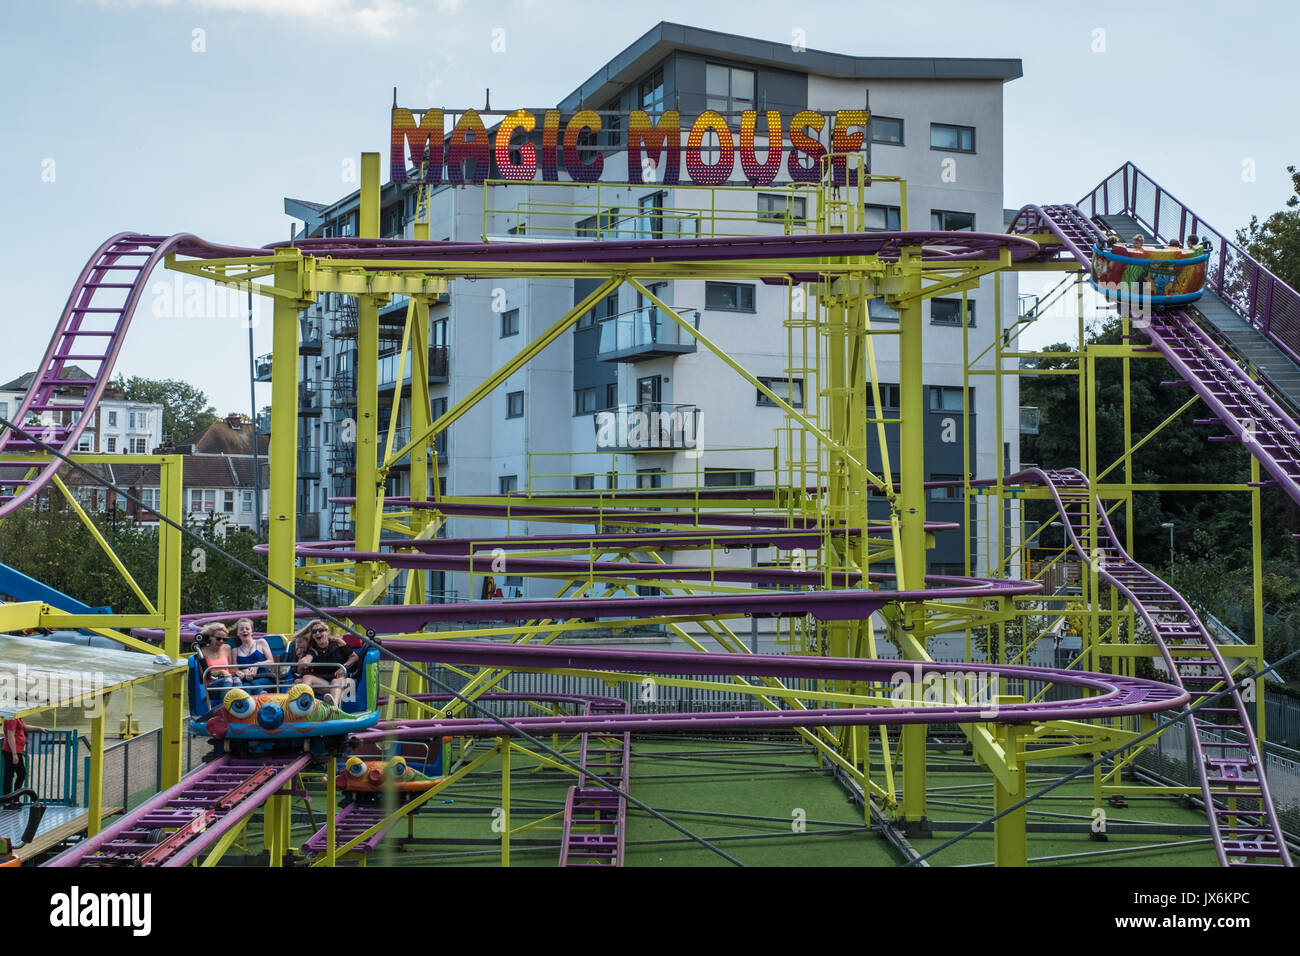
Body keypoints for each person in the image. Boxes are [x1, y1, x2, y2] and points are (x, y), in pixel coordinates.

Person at [294, 620, 358, 706]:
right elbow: (309, 657)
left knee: (335, 682)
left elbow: (354, 657)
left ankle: (334, 709)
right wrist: (304, 661)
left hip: (341, 679)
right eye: (314, 632)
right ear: (312, 636)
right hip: (324, 682)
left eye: (320, 630)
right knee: (305, 678)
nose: (317, 633)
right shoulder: (313, 648)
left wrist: (344, 667)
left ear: (327, 632)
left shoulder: (337, 643)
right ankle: (304, 706)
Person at [198, 622, 240, 705]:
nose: (221, 641)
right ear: (210, 637)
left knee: (237, 680)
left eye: (224, 639)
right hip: (212, 684)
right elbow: (203, 675)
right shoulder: (203, 652)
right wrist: (220, 672)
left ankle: (238, 707)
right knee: (227, 681)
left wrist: (238, 672)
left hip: (228, 679)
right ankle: (225, 708)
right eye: (218, 638)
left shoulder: (227, 648)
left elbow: (231, 669)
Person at [2, 717, 43, 797]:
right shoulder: (12, 719)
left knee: (18, 774)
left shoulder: (18, 717)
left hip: (16, 751)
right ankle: (8, 799)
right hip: (11, 752)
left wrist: (38, 728)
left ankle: (13, 798)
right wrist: (14, 754)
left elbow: (24, 727)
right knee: (13, 775)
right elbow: (10, 736)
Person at [232, 617, 276, 691]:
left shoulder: (261, 642)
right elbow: (235, 670)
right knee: (245, 687)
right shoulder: (235, 651)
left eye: (247, 629)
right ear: (237, 633)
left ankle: (262, 697)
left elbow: (271, 662)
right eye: (241, 629)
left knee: (254, 684)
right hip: (247, 681)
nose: (244, 631)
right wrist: (243, 672)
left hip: (264, 679)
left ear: (252, 632)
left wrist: (257, 665)